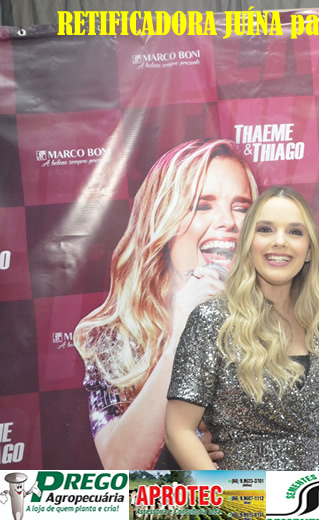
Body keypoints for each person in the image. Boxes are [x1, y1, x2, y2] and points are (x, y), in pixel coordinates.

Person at [74, 139, 258, 469]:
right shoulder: (117, 336)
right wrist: (179, 341)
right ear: (164, 220)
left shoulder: (274, 318)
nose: (229, 221)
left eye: (242, 207)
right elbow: (121, 465)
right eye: (202, 206)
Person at [165, 186, 319, 471]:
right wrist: (229, 496)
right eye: (266, 229)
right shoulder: (213, 319)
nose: (280, 241)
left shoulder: (318, 323)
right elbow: (178, 431)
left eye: (295, 232)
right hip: (244, 494)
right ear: (248, 243)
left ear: (308, 251)